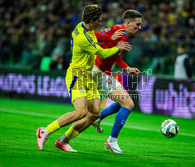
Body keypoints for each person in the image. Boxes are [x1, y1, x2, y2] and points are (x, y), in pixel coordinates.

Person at [36, 4, 131, 152]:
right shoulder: (84, 38)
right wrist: (118, 47)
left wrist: (109, 37)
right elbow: (104, 53)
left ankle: (63, 141)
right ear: (92, 20)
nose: (101, 23)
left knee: (94, 113)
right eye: (99, 20)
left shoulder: (83, 26)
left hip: (88, 76)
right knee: (80, 112)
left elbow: (97, 36)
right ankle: (45, 131)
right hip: (77, 76)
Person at [90, 9, 143, 153]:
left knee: (125, 103)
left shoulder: (124, 35)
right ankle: (111, 140)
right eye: (137, 25)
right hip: (95, 72)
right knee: (128, 104)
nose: (139, 28)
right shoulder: (116, 30)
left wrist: (127, 68)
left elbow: (114, 54)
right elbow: (90, 37)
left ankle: (99, 120)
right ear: (127, 23)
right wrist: (109, 37)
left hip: (104, 73)